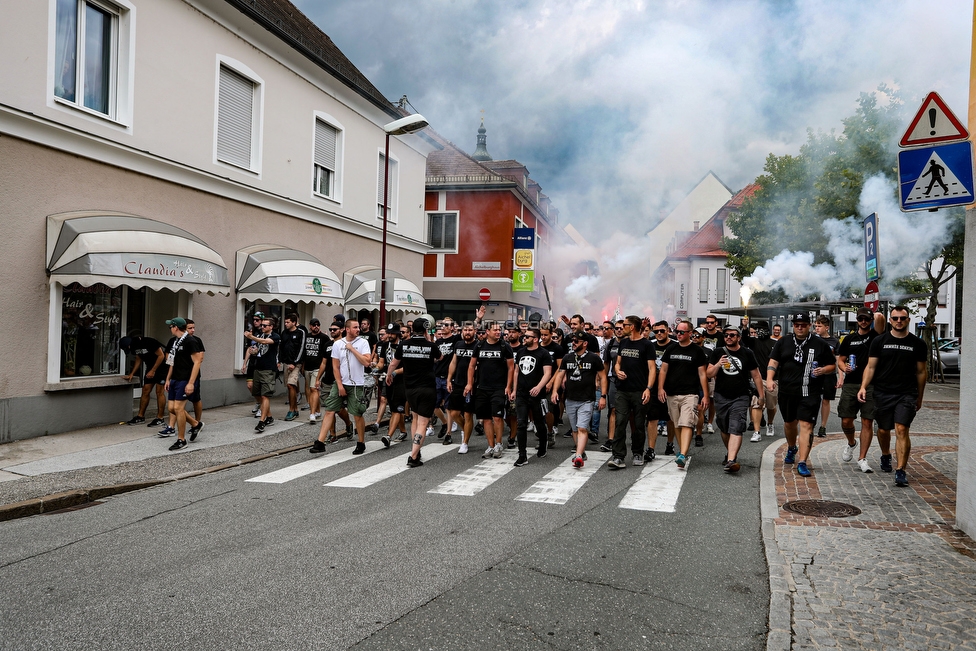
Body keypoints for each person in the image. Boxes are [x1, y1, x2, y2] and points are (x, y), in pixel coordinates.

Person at [857, 306, 928, 487]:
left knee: (902, 429)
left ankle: (901, 470)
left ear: (908, 320)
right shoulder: (879, 341)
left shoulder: (918, 344)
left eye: (902, 318)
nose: (898, 321)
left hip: (907, 393)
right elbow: (870, 367)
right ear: (890, 320)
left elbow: (921, 372)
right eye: (895, 318)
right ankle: (886, 454)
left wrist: (919, 396)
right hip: (882, 392)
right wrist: (863, 387)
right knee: (882, 430)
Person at [766, 313, 836, 478]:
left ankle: (803, 461)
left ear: (809, 325)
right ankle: (791, 447)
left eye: (803, 325)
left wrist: (823, 370)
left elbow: (832, 365)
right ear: (793, 325)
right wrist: (769, 379)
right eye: (797, 324)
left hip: (810, 392)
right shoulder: (784, 342)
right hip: (787, 391)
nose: (799, 327)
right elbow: (773, 361)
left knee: (806, 426)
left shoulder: (819, 344)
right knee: (790, 424)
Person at [310, 318, 373, 454]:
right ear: (347, 329)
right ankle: (320, 442)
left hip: (357, 385)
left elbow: (367, 362)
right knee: (329, 410)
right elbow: (335, 366)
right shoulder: (338, 344)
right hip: (341, 383)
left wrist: (352, 350)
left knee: (357, 414)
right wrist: (339, 385)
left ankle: (361, 442)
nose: (358, 329)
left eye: (358, 327)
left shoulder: (363, 343)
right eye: (355, 327)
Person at [706, 325, 764, 473]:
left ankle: (731, 460)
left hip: (741, 396)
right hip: (721, 396)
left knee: (736, 426)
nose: (729, 338)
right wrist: (719, 364)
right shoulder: (718, 352)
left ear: (738, 337)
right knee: (724, 428)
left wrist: (761, 395)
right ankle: (731, 454)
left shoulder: (747, 353)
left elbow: (756, 375)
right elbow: (709, 374)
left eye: (732, 335)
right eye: (726, 335)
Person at [836, 307, 886, 472]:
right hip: (851, 384)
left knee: (867, 421)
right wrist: (845, 369)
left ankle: (862, 458)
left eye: (866, 319)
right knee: (846, 420)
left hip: (872, 385)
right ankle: (851, 443)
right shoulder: (849, 339)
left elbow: (880, 318)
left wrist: (874, 310)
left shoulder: (876, 337)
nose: (863, 321)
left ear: (871, 321)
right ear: (856, 320)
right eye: (860, 319)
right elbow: (840, 361)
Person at [386, 318, 441, 467]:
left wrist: (389, 375)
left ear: (411, 330)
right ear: (425, 331)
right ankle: (413, 456)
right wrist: (430, 341)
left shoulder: (403, 345)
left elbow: (393, 363)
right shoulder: (431, 346)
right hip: (427, 388)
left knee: (415, 418)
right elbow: (439, 357)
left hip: (410, 388)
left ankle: (415, 449)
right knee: (423, 423)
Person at [657, 320, 709, 469]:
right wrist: (660, 388)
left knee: (687, 422)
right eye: (677, 332)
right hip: (672, 393)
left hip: (690, 394)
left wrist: (705, 394)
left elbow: (702, 374)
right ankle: (682, 452)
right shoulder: (671, 349)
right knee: (677, 423)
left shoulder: (697, 351)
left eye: (681, 332)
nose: (678, 334)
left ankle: (683, 453)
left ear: (690, 334)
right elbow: (664, 370)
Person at [551, 332, 606, 469]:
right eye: (572, 341)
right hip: (570, 398)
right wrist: (554, 391)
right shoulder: (567, 357)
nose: (573, 343)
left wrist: (603, 396)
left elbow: (603, 376)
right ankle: (581, 451)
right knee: (575, 429)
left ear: (585, 343)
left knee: (582, 428)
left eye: (576, 341)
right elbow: (559, 375)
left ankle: (579, 456)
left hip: (587, 399)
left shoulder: (594, 358)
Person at [610, 315, 655, 468]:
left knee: (638, 424)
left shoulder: (646, 345)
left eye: (625, 325)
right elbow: (617, 363)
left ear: (632, 327)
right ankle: (618, 456)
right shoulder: (623, 342)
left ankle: (638, 452)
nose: (622, 328)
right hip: (622, 390)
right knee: (620, 422)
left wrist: (648, 389)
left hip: (639, 390)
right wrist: (617, 371)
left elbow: (652, 368)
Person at [466, 321, 515, 459]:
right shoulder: (480, 345)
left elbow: (511, 368)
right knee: (486, 418)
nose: (498, 332)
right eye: (495, 330)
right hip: (482, 388)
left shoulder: (505, 347)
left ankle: (499, 444)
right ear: (487, 332)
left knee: (497, 417)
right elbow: (471, 365)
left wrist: (508, 386)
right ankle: (491, 446)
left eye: (499, 330)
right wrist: (469, 384)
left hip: (499, 388)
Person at [512, 328, 554, 466]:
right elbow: (517, 371)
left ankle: (543, 444)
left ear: (535, 339)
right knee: (521, 423)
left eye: (527, 337)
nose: (524, 338)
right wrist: (514, 390)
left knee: (539, 421)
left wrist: (539, 387)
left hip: (537, 394)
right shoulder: (520, 352)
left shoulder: (544, 354)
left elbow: (547, 373)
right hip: (521, 394)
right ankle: (522, 455)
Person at [162, 317, 204, 451]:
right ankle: (195, 424)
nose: (170, 329)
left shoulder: (190, 341)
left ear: (176, 327)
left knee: (179, 409)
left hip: (185, 379)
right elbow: (171, 362)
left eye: (171, 326)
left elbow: (197, 362)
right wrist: (168, 379)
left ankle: (181, 439)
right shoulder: (175, 341)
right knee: (171, 408)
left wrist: (191, 383)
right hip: (175, 378)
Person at [742, 319, 779, 441]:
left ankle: (770, 423)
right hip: (757, 379)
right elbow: (744, 339)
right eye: (756, 330)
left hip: (773, 379)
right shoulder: (753, 342)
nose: (758, 332)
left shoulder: (775, 343)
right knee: (756, 404)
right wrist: (745, 327)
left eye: (760, 329)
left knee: (771, 406)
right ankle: (757, 431)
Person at [120, 332, 167, 427]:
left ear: (130, 344)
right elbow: (138, 359)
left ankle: (160, 418)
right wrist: (132, 373)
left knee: (159, 392)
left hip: (162, 367)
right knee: (145, 390)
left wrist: (153, 370)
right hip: (150, 367)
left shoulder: (149, 342)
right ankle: (140, 416)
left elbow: (161, 355)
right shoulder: (133, 348)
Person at [317, 319, 352, 440]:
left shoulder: (346, 344)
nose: (332, 331)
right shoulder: (327, 344)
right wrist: (318, 378)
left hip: (340, 381)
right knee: (329, 408)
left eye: (334, 329)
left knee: (339, 409)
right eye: (331, 329)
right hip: (327, 380)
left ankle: (348, 423)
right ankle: (332, 434)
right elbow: (323, 363)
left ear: (342, 330)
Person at [447, 322, 479, 454]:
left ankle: (465, 442)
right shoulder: (458, 344)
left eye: (470, 330)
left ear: (474, 332)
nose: (467, 332)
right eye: (465, 330)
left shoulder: (478, 345)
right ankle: (465, 430)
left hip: (471, 384)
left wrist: (471, 381)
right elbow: (453, 362)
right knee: (454, 413)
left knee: (467, 414)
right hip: (458, 383)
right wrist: (449, 379)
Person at [245, 316, 280, 433]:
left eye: (265, 325)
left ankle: (262, 421)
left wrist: (251, 337)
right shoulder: (260, 335)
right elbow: (256, 348)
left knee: (265, 395)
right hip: (257, 368)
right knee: (257, 394)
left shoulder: (275, 336)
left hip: (268, 370)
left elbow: (265, 342)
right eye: (262, 325)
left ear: (271, 326)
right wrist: (253, 351)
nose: (262, 327)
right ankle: (269, 417)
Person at [648, 320, 676, 457]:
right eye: (656, 331)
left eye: (662, 331)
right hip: (653, 387)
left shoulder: (675, 346)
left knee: (671, 418)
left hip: (671, 388)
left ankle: (670, 445)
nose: (659, 334)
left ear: (668, 331)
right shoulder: (650, 345)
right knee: (652, 418)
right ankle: (651, 449)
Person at [600, 320, 626, 453]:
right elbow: (606, 365)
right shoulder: (611, 344)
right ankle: (610, 440)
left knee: (630, 413)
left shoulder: (631, 343)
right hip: (614, 380)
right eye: (617, 328)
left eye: (622, 328)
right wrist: (602, 381)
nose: (619, 330)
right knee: (613, 409)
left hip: (631, 382)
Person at [813, 315, 840, 438]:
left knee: (826, 400)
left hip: (829, 374)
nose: (817, 328)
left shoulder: (834, 341)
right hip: (815, 373)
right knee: (813, 399)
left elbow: (838, 360)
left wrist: (841, 377)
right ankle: (811, 423)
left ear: (827, 327)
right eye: (816, 326)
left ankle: (823, 426)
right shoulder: (813, 339)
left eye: (819, 326)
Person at [433, 319, 459, 441]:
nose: (444, 327)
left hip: (449, 377)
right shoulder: (437, 342)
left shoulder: (455, 340)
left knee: (448, 407)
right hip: (437, 376)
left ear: (453, 327)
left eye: (447, 325)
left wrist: (478, 318)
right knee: (434, 405)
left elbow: (468, 332)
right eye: (442, 325)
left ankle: (448, 434)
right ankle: (444, 423)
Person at [279, 313, 306, 421]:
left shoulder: (301, 332)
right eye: (285, 322)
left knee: (291, 385)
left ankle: (291, 410)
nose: (286, 324)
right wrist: (279, 360)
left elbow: (302, 348)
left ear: (294, 322)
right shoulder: (284, 333)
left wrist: (295, 363)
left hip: (296, 364)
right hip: (286, 363)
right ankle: (295, 409)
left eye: (288, 322)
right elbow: (281, 348)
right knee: (290, 387)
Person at [303, 318, 327, 422]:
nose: (316, 326)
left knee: (314, 389)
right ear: (310, 326)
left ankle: (312, 414)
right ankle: (317, 411)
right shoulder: (306, 336)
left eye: (318, 324)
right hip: (307, 366)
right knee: (310, 390)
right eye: (314, 325)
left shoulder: (324, 338)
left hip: (318, 367)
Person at [242, 312, 265, 417]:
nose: (255, 322)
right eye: (254, 320)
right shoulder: (253, 332)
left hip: (261, 362)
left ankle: (262, 407)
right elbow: (249, 348)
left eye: (257, 320)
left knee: (259, 386)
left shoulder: (265, 332)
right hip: (252, 362)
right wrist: (244, 363)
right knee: (250, 385)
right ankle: (258, 401)